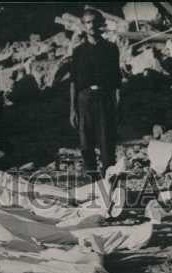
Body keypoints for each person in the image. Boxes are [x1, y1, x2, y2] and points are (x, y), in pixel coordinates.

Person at [70, 7, 121, 177]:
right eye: (87, 22)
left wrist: (117, 103)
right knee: (86, 143)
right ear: (83, 26)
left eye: (94, 22)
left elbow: (116, 80)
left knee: (107, 141)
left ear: (101, 24)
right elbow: (73, 82)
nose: (91, 25)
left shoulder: (111, 49)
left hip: (105, 97)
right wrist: (72, 110)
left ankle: (109, 179)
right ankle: (93, 179)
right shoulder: (78, 52)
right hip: (84, 99)